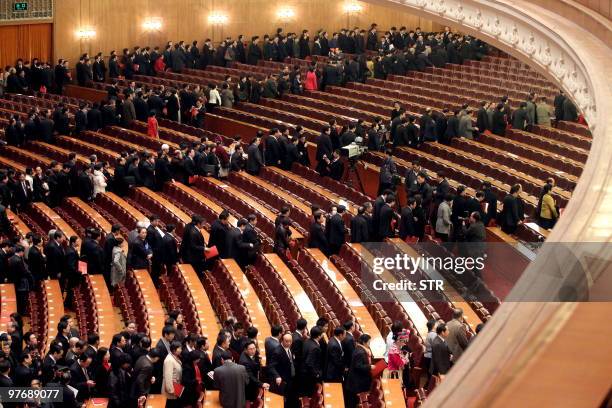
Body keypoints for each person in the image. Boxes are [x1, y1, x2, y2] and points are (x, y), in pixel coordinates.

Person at [346, 334, 373, 408]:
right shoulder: (360, 352)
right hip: (356, 381)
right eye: (369, 342)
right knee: (353, 401)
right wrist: (370, 366)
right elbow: (358, 366)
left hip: (356, 380)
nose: (369, 344)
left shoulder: (359, 349)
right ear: (364, 343)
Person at [300, 326, 323, 397]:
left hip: (303, 372)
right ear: (319, 336)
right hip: (309, 376)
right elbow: (309, 363)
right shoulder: (315, 348)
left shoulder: (307, 341)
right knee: (309, 394)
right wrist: (317, 374)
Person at [163, 341, 183, 407]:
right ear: (174, 350)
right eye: (179, 348)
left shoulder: (175, 356)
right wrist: (171, 390)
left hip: (176, 386)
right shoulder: (169, 360)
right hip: (172, 389)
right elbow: (168, 376)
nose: (181, 350)